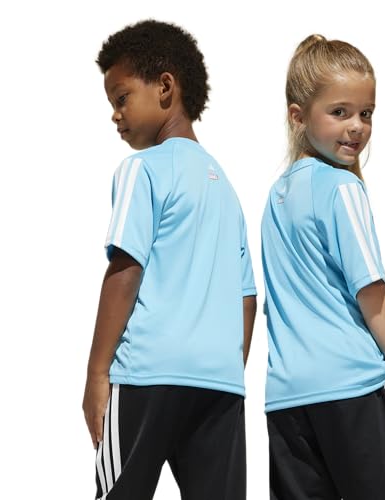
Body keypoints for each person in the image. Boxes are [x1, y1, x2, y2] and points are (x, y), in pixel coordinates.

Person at [82, 20, 257, 500]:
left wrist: (97, 375)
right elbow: (246, 298)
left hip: (147, 376)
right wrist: (223, 368)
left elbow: (125, 270)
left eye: (121, 97)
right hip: (219, 383)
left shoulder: (142, 169)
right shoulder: (226, 189)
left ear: (165, 87)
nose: (115, 115)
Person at [261, 34, 385, 500]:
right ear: (298, 116)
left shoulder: (276, 197)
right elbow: (370, 288)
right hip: (353, 387)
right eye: (340, 112)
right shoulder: (342, 189)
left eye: (366, 113)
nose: (357, 127)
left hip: (288, 400)